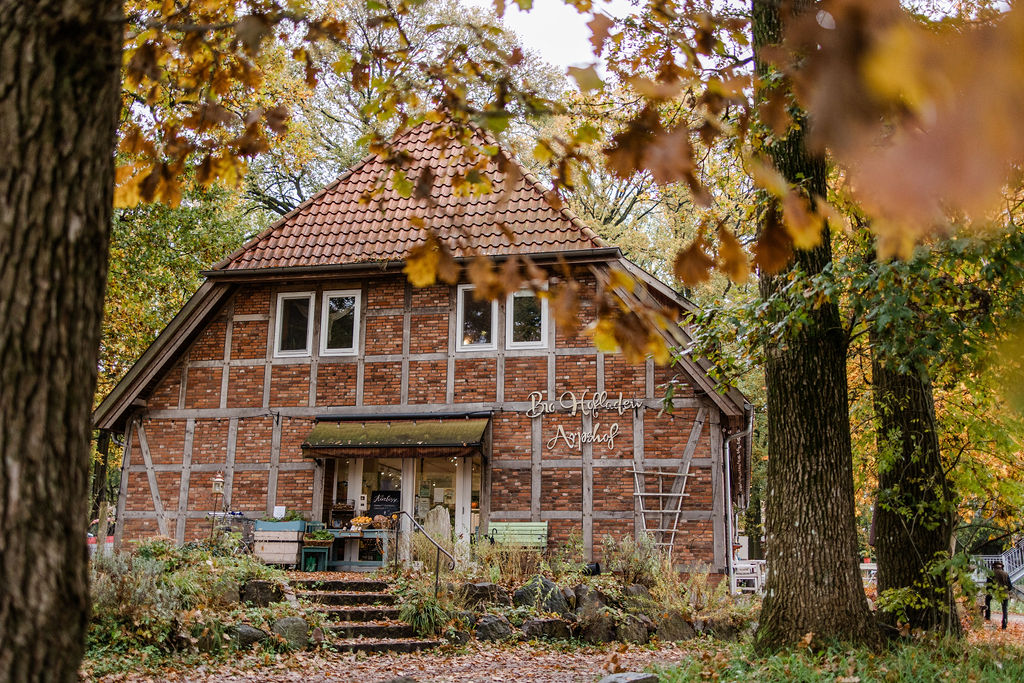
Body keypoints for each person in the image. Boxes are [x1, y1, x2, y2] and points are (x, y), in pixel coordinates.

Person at [985, 561, 1013, 630]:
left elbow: (988, 586)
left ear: (994, 567)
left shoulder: (991, 574)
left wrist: (990, 592)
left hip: (993, 592)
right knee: (1005, 609)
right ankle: (1004, 624)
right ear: (1001, 567)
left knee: (987, 600)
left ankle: (988, 617)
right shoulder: (1005, 574)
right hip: (1004, 593)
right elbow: (1010, 586)